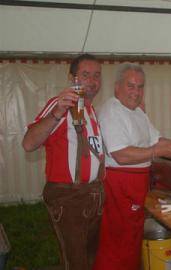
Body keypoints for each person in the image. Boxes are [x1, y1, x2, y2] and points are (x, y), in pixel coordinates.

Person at [93, 63, 171, 270]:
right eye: (131, 86)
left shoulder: (137, 112)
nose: (136, 92)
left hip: (136, 184)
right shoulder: (112, 110)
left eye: (140, 87)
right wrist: (159, 151)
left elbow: (156, 140)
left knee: (132, 237)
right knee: (117, 239)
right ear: (117, 87)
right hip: (119, 184)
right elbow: (121, 155)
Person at [22, 54, 104, 270]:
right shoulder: (60, 105)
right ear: (72, 78)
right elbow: (29, 143)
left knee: (89, 259)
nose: (93, 81)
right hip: (68, 198)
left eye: (97, 75)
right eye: (86, 75)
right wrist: (57, 112)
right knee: (76, 263)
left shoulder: (91, 111)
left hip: (93, 196)